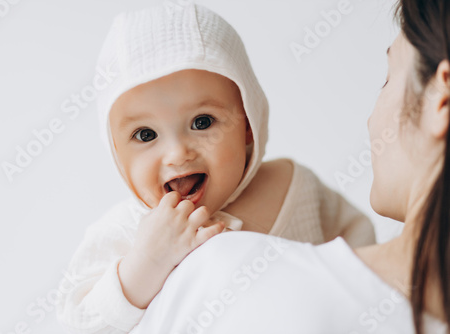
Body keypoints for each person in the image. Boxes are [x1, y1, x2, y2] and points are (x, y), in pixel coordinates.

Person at [127, 0, 450, 333]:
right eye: (146, 134)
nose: (370, 119)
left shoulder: (222, 275)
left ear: (442, 99)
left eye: (387, 78)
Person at [55, 1, 375, 333]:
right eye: (145, 134)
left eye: (202, 121)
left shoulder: (295, 186)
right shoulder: (127, 231)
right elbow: (79, 322)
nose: (178, 153)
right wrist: (145, 266)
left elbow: (364, 254)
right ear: (117, 154)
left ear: (248, 125)